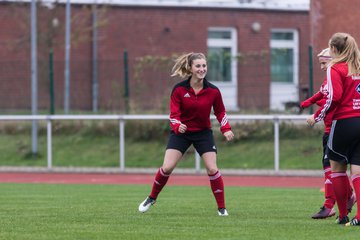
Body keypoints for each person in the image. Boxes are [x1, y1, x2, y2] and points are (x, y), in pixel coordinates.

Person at [138, 52, 234, 216]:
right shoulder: (179, 89)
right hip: (181, 134)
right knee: (167, 167)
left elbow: (220, 112)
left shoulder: (213, 91)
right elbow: (173, 115)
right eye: (198, 66)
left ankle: (222, 208)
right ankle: (152, 197)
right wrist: (177, 126)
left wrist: (226, 129)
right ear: (190, 68)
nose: (202, 69)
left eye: (204, 66)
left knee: (212, 169)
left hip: (203, 133)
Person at [306, 32, 360, 226]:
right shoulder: (358, 66)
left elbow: (333, 98)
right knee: (357, 169)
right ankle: (359, 217)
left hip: (343, 122)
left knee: (336, 168)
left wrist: (317, 116)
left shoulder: (335, 67)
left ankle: (343, 215)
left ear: (335, 49)